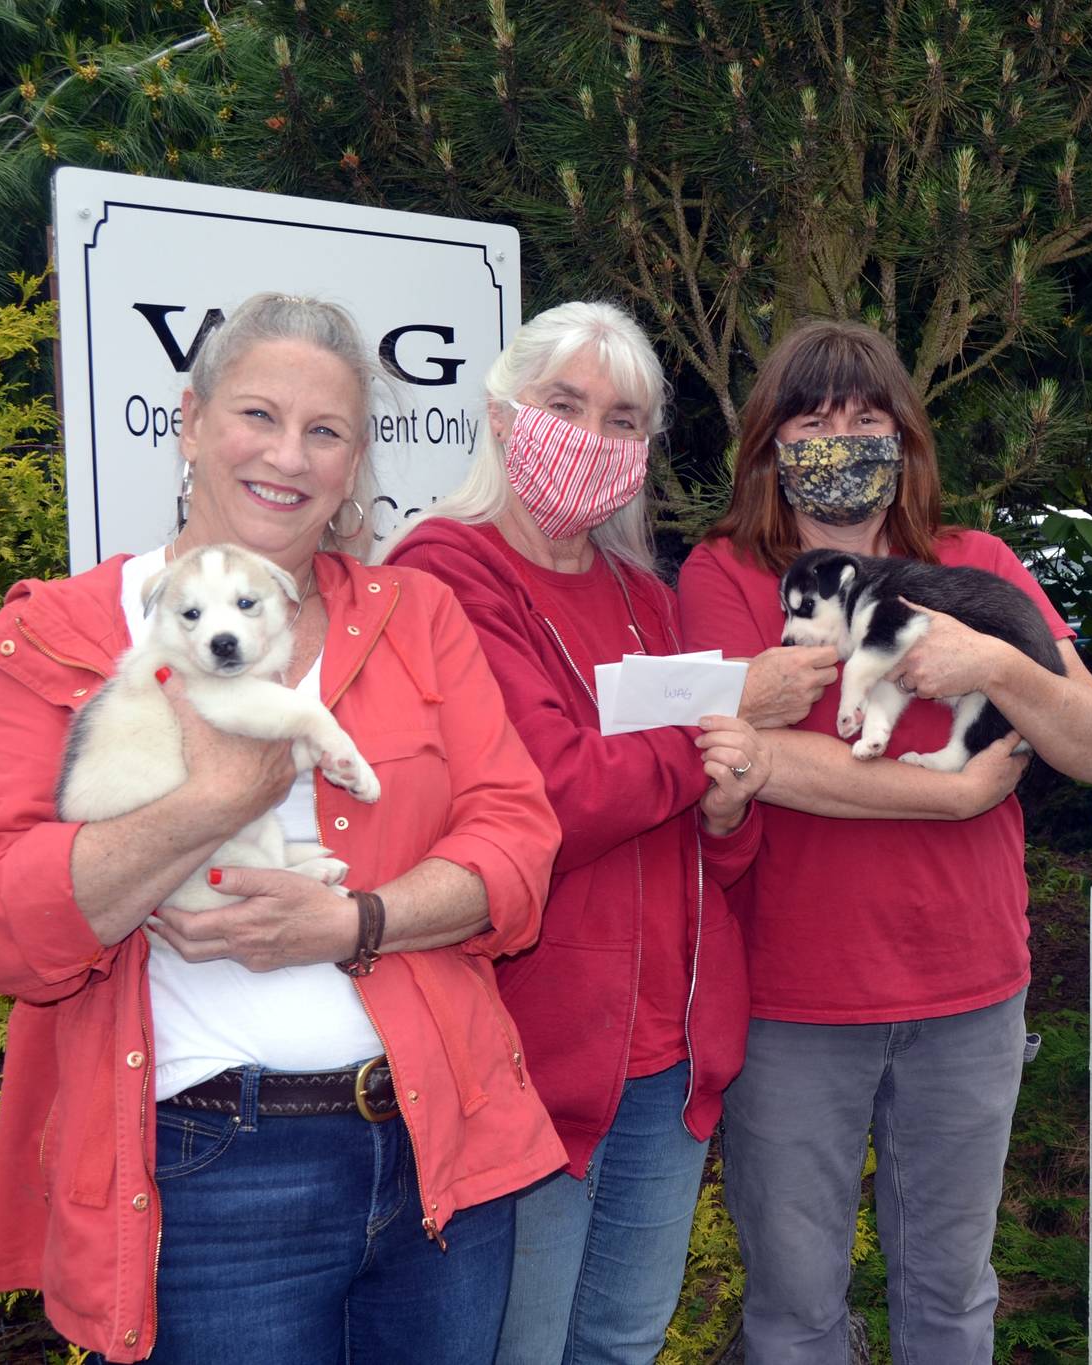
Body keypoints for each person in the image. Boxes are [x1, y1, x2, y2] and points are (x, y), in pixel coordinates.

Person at [0, 293, 566, 1364]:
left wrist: (355, 920)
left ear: (357, 459)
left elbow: (516, 847)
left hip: (438, 1149)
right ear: (188, 420)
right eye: (257, 417)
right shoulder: (54, 634)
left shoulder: (415, 618)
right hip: (210, 1171)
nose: (289, 457)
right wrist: (213, 800)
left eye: (326, 432)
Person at [676, 318, 1092, 1362]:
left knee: (950, 1297)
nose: (840, 440)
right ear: (768, 445)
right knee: (794, 1312)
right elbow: (749, 759)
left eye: (865, 419)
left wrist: (997, 666)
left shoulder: (978, 563)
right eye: (813, 419)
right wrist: (961, 793)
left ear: (905, 440)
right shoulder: (729, 577)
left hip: (969, 994)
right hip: (795, 1003)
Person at [381, 300, 766, 1365]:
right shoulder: (444, 572)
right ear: (503, 415)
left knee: (620, 1347)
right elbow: (552, 796)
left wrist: (728, 807)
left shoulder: (644, 595)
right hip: (531, 1057)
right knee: (526, 1352)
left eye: (622, 420)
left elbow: (703, 843)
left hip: (670, 1058)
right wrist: (719, 730)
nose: (590, 437)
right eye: (565, 405)